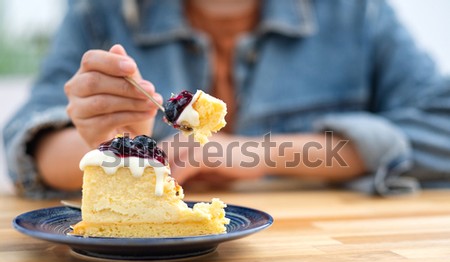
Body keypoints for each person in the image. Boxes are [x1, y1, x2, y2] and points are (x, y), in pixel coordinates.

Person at [3, 0, 450, 199]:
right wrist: (103, 144)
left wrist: (260, 152)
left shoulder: (358, 14)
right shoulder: (99, 13)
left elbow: (441, 127)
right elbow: (26, 146)